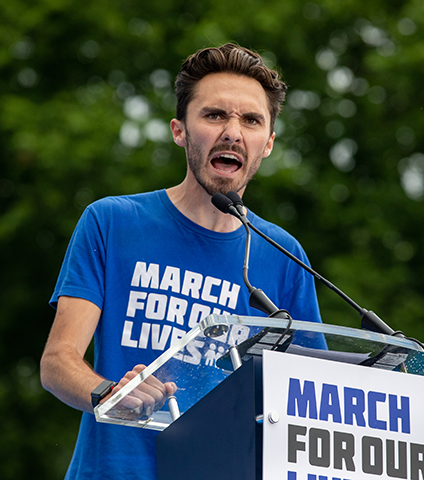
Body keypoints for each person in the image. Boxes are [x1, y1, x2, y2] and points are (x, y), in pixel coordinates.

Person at [40, 43, 326, 479]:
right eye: (214, 115)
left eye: (251, 120)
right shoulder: (112, 221)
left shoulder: (284, 255)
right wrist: (109, 393)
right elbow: (58, 362)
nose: (233, 131)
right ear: (180, 130)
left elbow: (312, 401)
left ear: (267, 144)